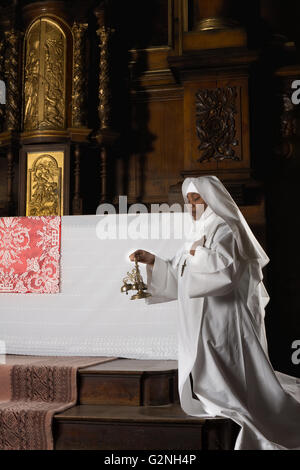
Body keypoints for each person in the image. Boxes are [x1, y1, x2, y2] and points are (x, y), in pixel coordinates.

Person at [129, 175, 300, 450]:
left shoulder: (226, 228)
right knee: (208, 363)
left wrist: (198, 253)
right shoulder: (198, 230)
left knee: (226, 363)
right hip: (198, 314)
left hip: (222, 316)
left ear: (211, 199)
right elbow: (179, 269)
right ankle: (219, 398)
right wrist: (154, 261)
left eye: (196, 199)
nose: (191, 205)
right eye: (189, 200)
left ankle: (235, 403)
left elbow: (226, 272)